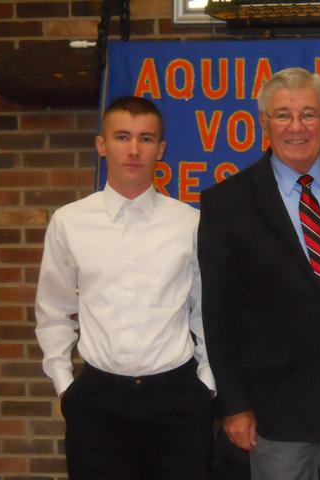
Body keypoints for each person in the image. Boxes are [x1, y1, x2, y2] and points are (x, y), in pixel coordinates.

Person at [198, 67, 320, 480]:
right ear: (264, 123)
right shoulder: (226, 202)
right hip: (275, 411)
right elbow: (217, 314)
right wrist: (234, 404)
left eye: (309, 114)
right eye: (283, 115)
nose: (296, 126)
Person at [35, 96, 214, 480]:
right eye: (122, 136)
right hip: (97, 404)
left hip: (179, 404)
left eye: (146, 139)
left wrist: (207, 385)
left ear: (160, 149)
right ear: (102, 145)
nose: (134, 149)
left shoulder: (189, 223)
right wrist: (65, 386)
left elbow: (206, 313)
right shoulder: (70, 223)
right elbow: (52, 310)